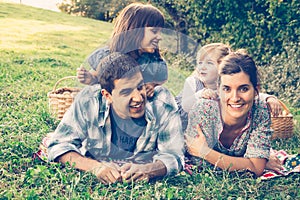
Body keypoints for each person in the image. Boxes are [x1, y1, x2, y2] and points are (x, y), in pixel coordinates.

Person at [46, 52, 184, 184]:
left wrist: (147, 170)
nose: (138, 98)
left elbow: (174, 156)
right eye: (126, 92)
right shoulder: (89, 100)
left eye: (140, 87)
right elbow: (58, 145)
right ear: (107, 96)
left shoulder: (162, 102)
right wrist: (95, 167)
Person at [185, 50, 273, 177]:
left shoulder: (260, 110)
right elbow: (199, 164)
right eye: (227, 89)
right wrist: (246, 162)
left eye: (243, 89)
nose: (235, 97)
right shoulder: (205, 109)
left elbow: (256, 168)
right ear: (218, 90)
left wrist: (205, 152)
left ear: (256, 90)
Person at [176, 43, 282, 132]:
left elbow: (247, 92)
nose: (202, 67)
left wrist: (268, 98)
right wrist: (200, 94)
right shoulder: (193, 82)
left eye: (209, 63)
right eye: (200, 63)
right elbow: (184, 107)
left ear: (223, 66)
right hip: (179, 125)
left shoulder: (225, 85)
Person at [77, 2, 168, 98]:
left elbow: (161, 79)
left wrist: (152, 85)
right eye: (154, 31)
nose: (160, 37)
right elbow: (97, 77)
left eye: (160, 32)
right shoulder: (108, 57)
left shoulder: (153, 61)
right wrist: (91, 79)